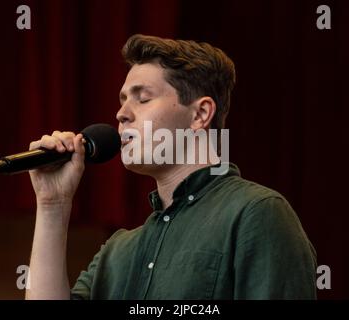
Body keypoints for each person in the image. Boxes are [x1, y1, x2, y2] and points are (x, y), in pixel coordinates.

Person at [25, 34, 317, 300]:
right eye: (123, 101)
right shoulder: (117, 251)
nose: (121, 114)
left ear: (200, 114)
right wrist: (53, 204)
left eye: (143, 98)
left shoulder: (256, 213)